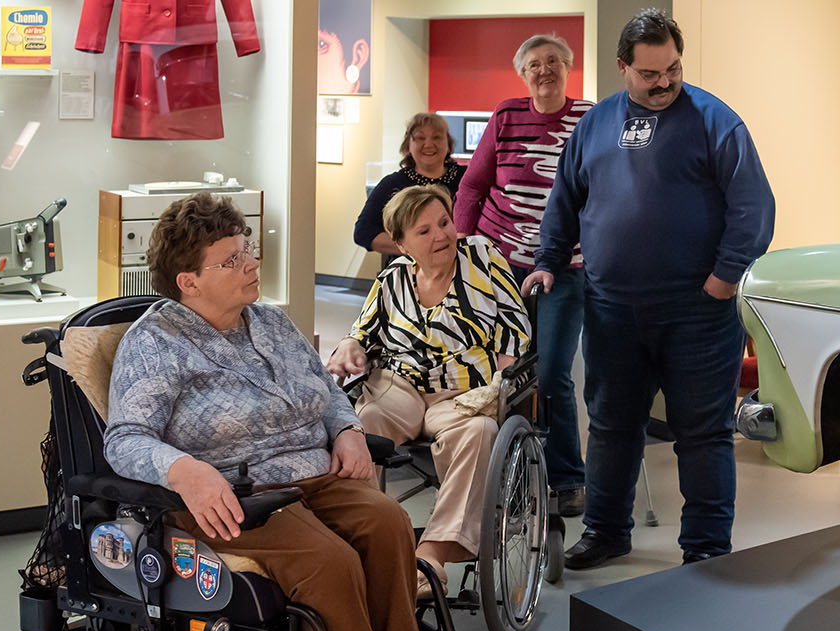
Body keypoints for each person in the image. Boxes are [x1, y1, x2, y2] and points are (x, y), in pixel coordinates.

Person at [105, 192, 473, 631]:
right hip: (234, 494)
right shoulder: (157, 342)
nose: (250, 263)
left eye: (246, 250)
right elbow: (125, 438)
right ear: (188, 281)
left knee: (387, 523)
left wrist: (347, 428)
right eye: (231, 259)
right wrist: (184, 469)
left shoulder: (269, 319)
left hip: (310, 475)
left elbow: (324, 389)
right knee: (330, 564)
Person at [526, 8, 775, 569]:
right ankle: (607, 531)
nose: (664, 83)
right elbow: (565, 198)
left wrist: (724, 278)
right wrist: (548, 259)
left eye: (673, 70)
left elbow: (754, 208)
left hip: (699, 310)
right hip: (612, 307)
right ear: (622, 68)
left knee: (702, 432)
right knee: (612, 424)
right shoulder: (596, 124)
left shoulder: (716, 121)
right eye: (650, 74)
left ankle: (707, 549)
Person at [328, 185, 531, 573]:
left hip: (463, 392)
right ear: (402, 244)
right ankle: (369, 536)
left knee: (481, 432)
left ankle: (434, 552)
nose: (441, 235)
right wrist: (349, 346)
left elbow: (514, 328)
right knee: (362, 424)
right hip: (399, 386)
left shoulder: (482, 258)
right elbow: (361, 332)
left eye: (444, 222)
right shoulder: (394, 278)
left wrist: (500, 385)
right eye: (424, 231)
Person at [453, 33, 594, 519]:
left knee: (553, 373)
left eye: (553, 61)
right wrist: (463, 251)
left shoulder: (589, 118)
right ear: (523, 73)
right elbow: (472, 186)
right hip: (499, 263)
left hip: (564, 267)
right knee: (503, 371)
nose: (544, 70)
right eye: (534, 64)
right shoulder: (507, 115)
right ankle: (509, 473)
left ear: (568, 67)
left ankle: (566, 477)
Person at [354, 113, 464, 256]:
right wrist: (415, 248)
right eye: (420, 138)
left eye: (437, 137)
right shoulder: (392, 184)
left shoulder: (468, 179)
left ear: (448, 144)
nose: (429, 144)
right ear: (408, 145)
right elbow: (363, 232)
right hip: (409, 273)